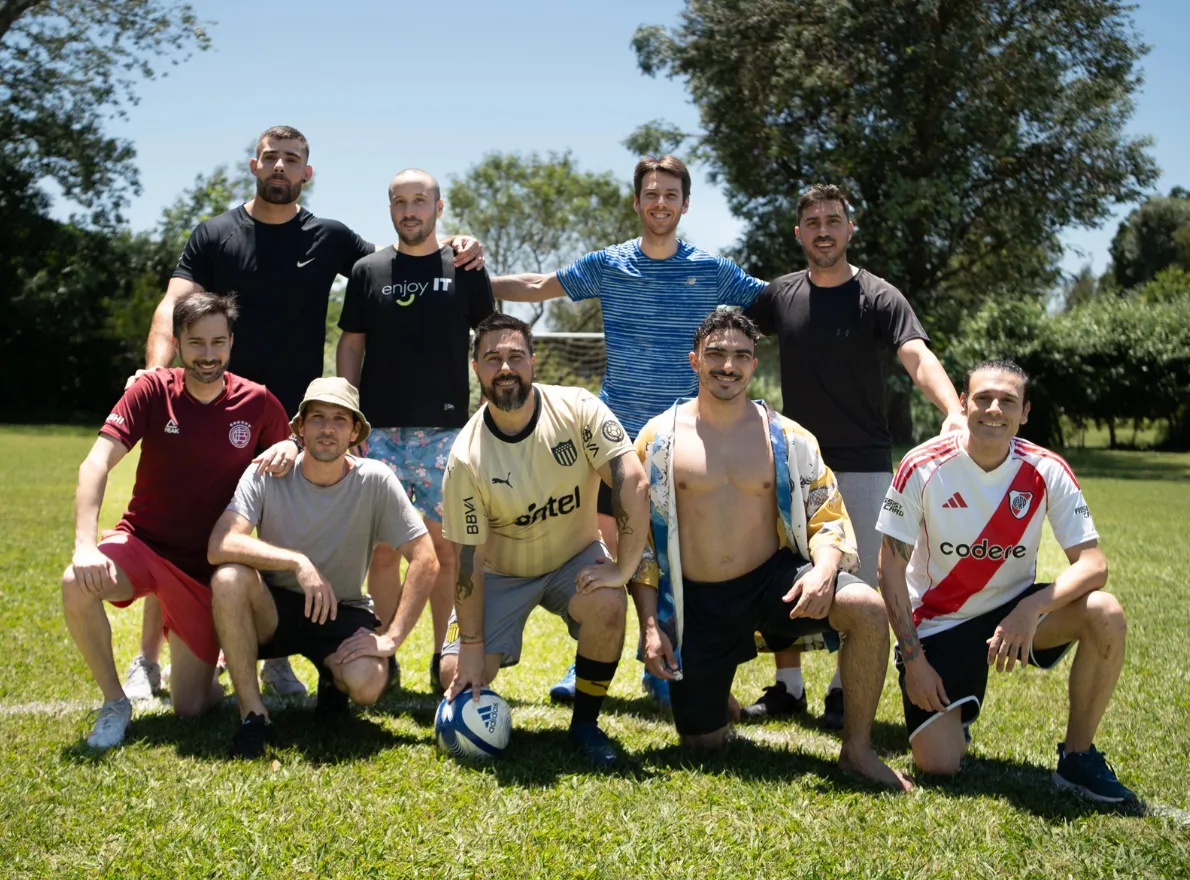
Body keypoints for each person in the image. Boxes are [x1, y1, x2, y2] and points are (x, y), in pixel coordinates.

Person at [126, 125, 482, 700]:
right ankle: (148, 658)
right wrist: (155, 373)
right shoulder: (214, 235)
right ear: (254, 165)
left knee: (288, 529)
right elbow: (173, 304)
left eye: (292, 160)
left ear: (307, 173)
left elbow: (401, 269)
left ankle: (278, 659)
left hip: (292, 419)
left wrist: (457, 249)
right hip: (215, 409)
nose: (281, 168)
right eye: (272, 158)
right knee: (189, 525)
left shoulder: (329, 237)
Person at [493, 154, 779, 705]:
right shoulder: (609, 264)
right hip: (611, 440)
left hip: (685, 441)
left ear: (685, 204)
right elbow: (534, 284)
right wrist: (464, 280)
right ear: (637, 201)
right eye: (651, 193)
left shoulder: (713, 271)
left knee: (671, 561)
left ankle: (662, 668)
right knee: (601, 561)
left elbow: (779, 301)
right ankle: (589, 668)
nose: (660, 203)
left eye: (671, 194)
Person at [628, 310, 910, 789]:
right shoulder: (659, 439)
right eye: (715, 354)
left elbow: (828, 515)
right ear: (695, 360)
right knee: (703, 746)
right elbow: (642, 545)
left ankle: (858, 752)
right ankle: (716, 698)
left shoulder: (788, 437)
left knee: (865, 607)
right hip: (698, 602)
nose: (727, 366)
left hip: (772, 583)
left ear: (754, 364)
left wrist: (823, 570)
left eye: (740, 355)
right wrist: (652, 626)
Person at [741, 183, 965, 729]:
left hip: (865, 462)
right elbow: (731, 338)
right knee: (784, 565)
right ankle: (788, 686)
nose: (823, 229)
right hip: (794, 460)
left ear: (849, 228)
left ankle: (843, 690)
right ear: (799, 234)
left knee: (857, 580)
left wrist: (954, 409)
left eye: (833, 220)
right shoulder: (778, 295)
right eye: (813, 221)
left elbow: (917, 355)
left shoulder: (880, 297)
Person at [876, 359, 1134, 802]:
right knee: (939, 765)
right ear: (963, 403)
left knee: (1105, 612)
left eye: (1008, 401)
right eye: (983, 398)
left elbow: (1093, 565)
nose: (994, 409)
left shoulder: (1047, 468)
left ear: (1025, 412)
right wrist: (913, 659)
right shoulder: (921, 465)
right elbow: (889, 570)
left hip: (1014, 615)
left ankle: (1077, 758)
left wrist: (1030, 610)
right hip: (940, 624)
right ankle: (956, 713)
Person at [61, 292, 293, 749]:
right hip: (143, 544)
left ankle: (207, 665)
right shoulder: (149, 390)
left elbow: (295, 471)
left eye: (218, 343)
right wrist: (85, 544)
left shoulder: (259, 403)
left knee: (191, 706)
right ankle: (115, 701)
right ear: (179, 342)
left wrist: (291, 447)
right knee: (76, 581)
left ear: (230, 342)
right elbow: (95, 465)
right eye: (196, 343)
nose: (208, 355)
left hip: (204, 569)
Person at [438, 314, 650, 767]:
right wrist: (472, 644)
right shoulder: (465, 458)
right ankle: (482, 715)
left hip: (573, 558)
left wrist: (624, 569)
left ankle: (586, 724)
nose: (506, 367)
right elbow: (467, 563)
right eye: (492, 358)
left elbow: (631, 479)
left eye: (516, 356)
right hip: (499, 573)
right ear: (476, 368)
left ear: (533, 361)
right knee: (454, 673)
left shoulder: (578, 409)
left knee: (609, 602)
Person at [208, 378, 439, 758]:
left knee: (366, 685)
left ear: (354, 432)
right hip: (273, 608)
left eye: (339, 420)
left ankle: (334, 679)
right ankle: (253, 716)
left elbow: (426, 556)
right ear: (299, 428)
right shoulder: (267, 472)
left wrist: (391, 638)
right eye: (316, 418)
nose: (327, 429)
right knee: (229, 577)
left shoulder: (374, 479)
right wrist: (296, 562)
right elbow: (221, 544)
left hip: (341, 608)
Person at [337, 168, 495, 695]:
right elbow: (352, 346)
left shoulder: (466, 266)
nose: (411, 210)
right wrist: (348, 412)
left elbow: (489, 342)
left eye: (420, 200)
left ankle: (441, 656)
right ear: (390, 209)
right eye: (400, 201)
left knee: (445, 552)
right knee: (383, 552)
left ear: (438, 206)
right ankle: (387, 650)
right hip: (377, 433)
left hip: (445, 433)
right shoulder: (367, 270)